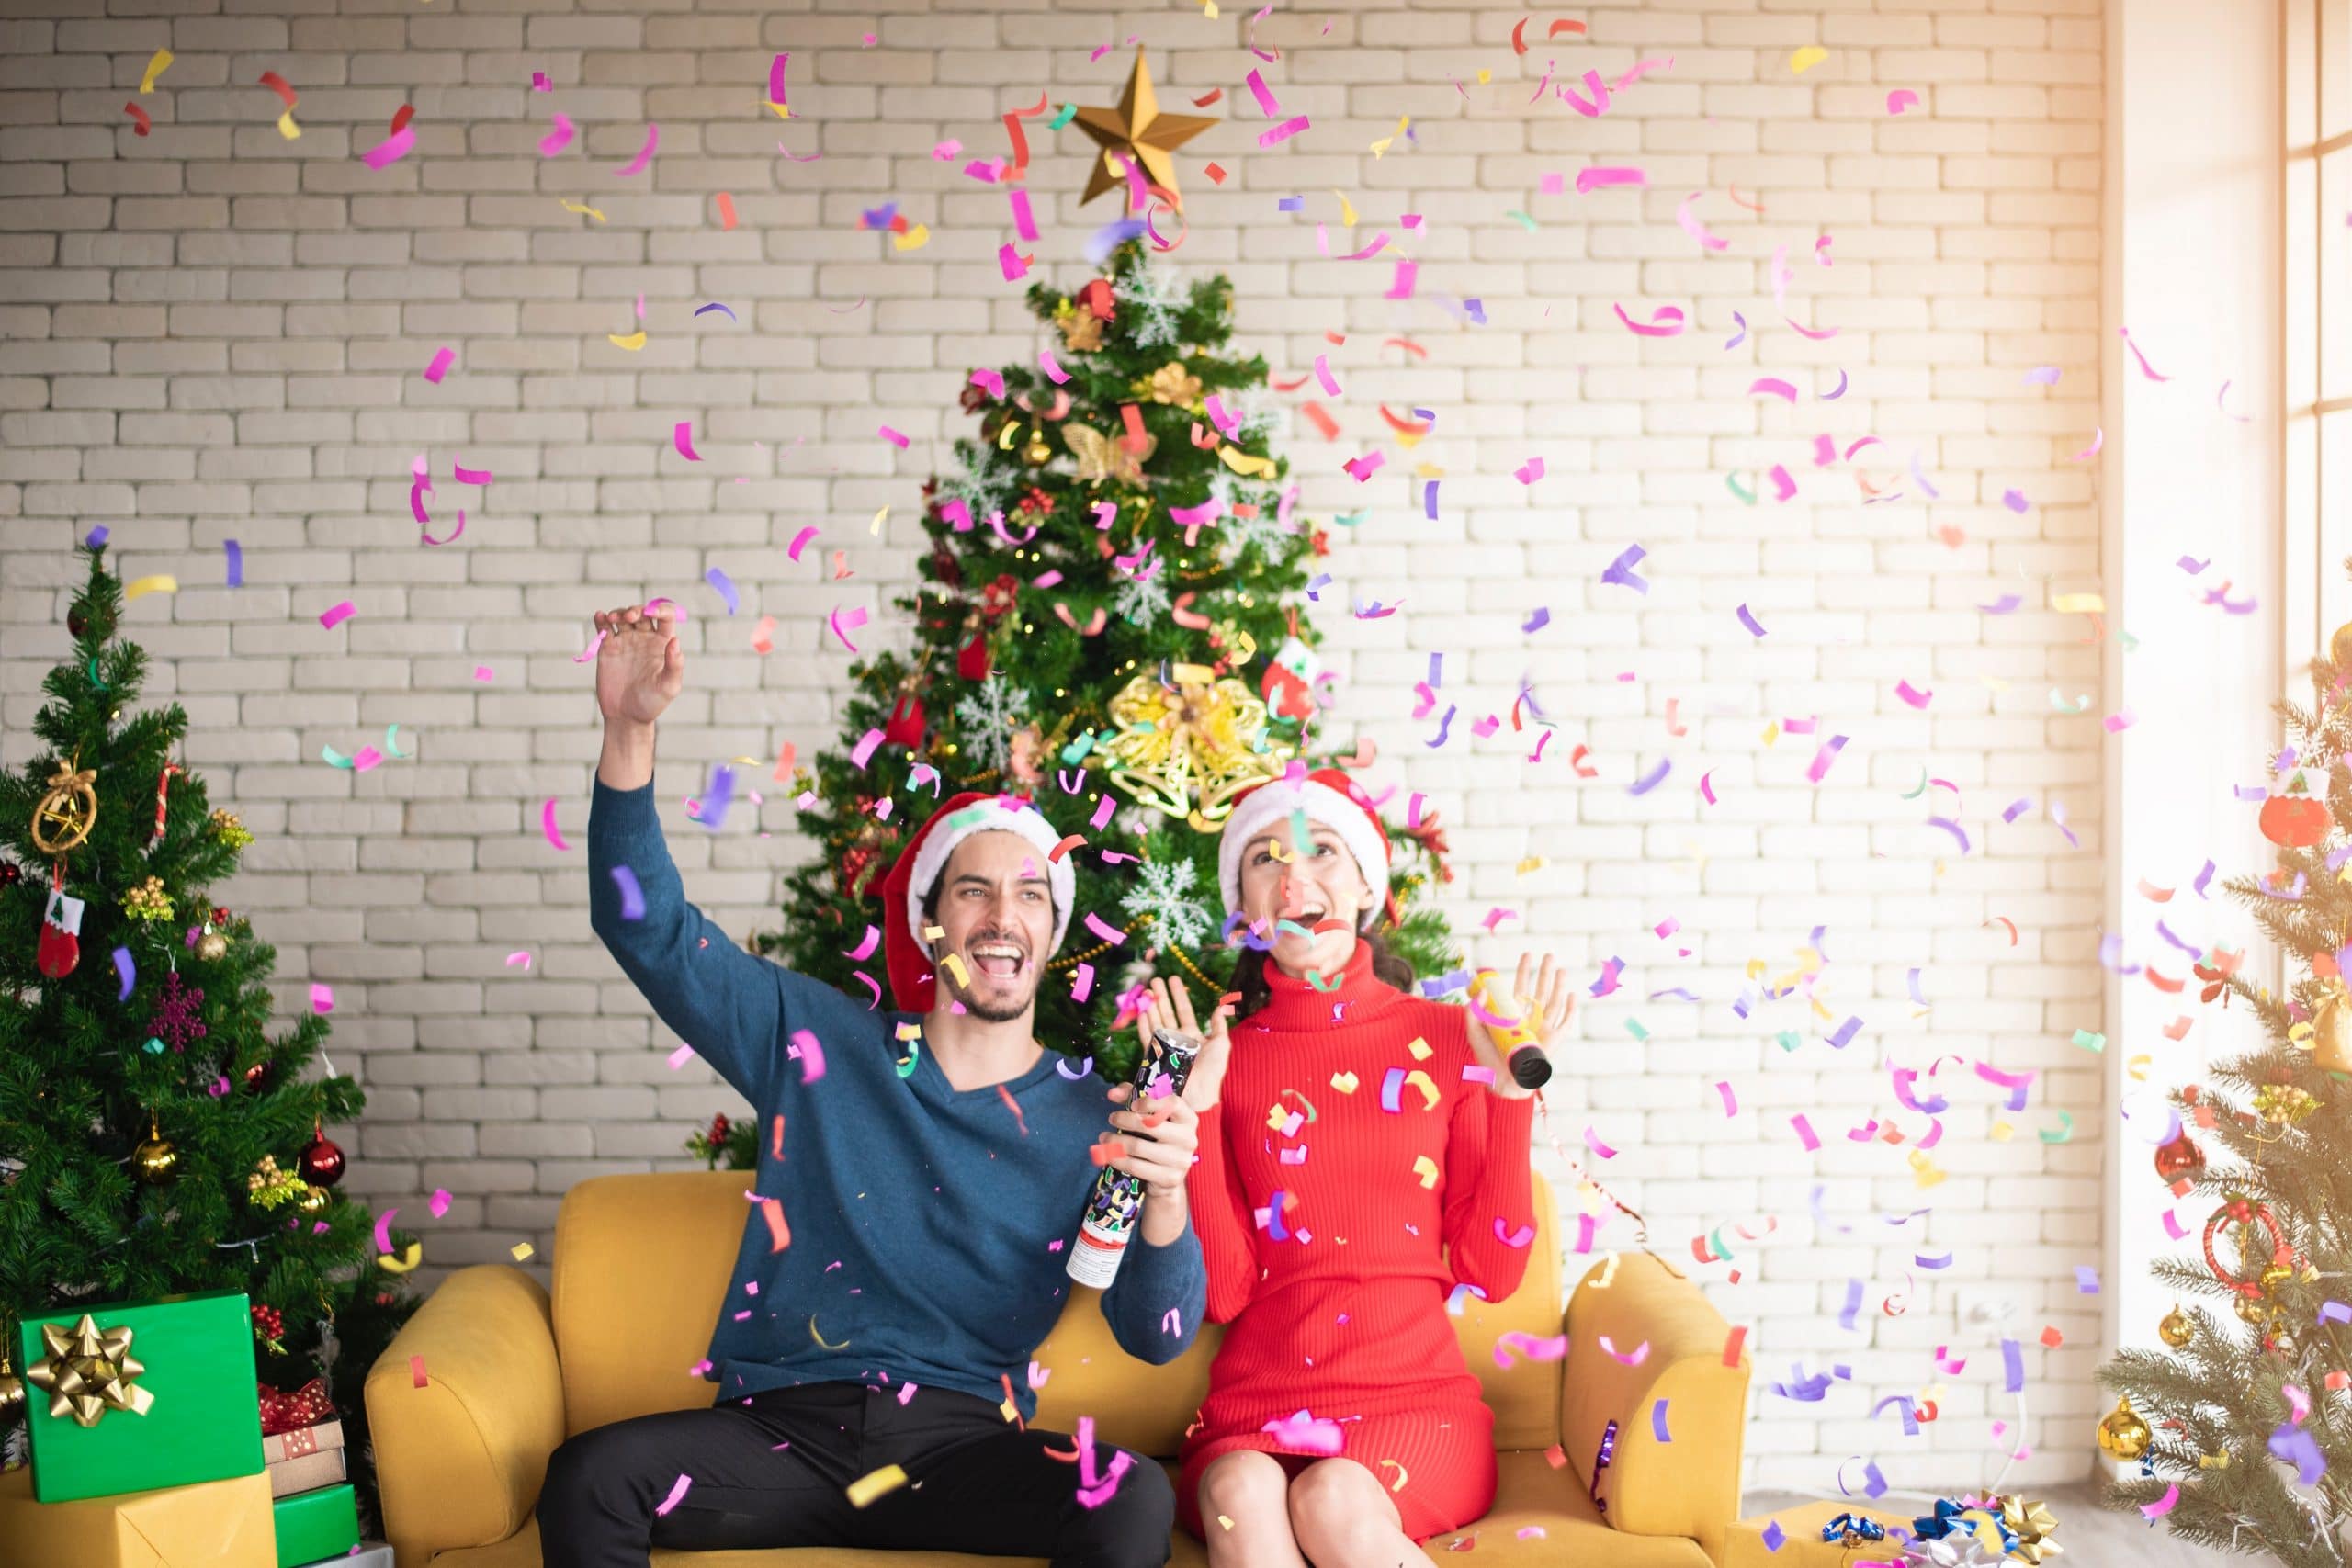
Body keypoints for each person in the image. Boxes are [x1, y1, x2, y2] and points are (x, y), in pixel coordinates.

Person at [538, 604, 1207, 1568]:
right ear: (931, 921)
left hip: (963, 1445)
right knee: (590, 1477)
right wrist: (630, 731)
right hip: (780, 1434)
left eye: (1030, 895)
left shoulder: (1094, 1115)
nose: (1000, 916)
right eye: (972, 890)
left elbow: (1155, 1337)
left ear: (1054, 939)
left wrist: (1167, 1191)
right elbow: (646, 926)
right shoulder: (815, 1042)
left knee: (1129, 1493)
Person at [1140, 768, 1575, 1567]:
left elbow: (1495, 1266)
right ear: (1246, 908)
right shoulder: (1225, 1060)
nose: (1295, 875)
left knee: (1333, 1495)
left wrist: (1509, 1098)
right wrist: (1194, 1117)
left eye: (1323, 851)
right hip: (1254, 1408)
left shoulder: (1451, 1036)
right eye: (1266, 858)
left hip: (1413, 1404)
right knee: (1240, 1493)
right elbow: (1226, 1292)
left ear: (1366, 884)